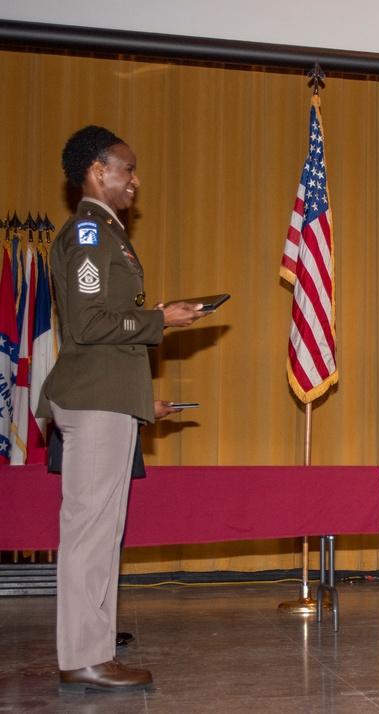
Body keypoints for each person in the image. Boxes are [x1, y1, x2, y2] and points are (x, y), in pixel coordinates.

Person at [37, 126, 207, 692]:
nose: (135, 180)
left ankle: (95, 651)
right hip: (93, 395)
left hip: (109, 395)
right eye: (125, 169)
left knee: (105, 531)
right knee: (89, 530)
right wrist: (162, 319)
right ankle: (83, 656)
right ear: (94, 171)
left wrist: (158, 313)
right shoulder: (89, 233)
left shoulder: (107, 234)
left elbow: (105, 318)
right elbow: (87, 325)